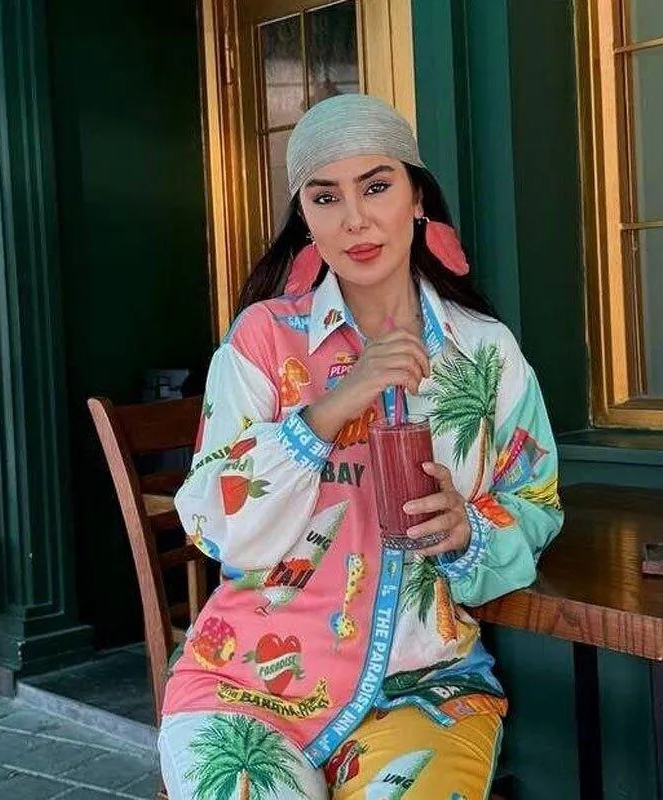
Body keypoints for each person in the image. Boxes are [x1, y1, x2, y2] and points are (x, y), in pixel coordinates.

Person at [159, 93, 563, 800]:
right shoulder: (262, 341)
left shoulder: (485, 351)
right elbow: (213, 525)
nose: (354, 219)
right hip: (246, 680)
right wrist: (331, 408)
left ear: (416, 198)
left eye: (376, 187)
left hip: (424, 685)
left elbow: (536, 502)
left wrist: (468, 530)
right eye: (325, 198)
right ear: (305, 218)